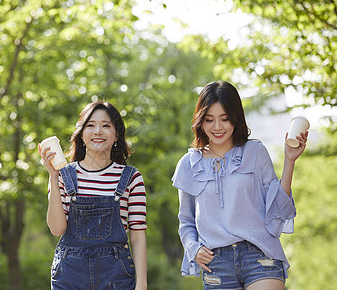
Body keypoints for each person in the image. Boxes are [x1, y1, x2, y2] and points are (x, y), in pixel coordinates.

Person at [172, 81, 308, 290]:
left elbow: (277, 208)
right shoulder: (188, 165)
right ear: (200, 121)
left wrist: (290, 160)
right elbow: (186, 220)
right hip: (215, 263)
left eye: (225, 119)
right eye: (210, 120)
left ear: (236, 118)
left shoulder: (255, 151)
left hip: (259, 255)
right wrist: (193, 248)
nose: (217, 127)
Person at [39, 101, 147, 290]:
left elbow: (138, 235)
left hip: (117, 277)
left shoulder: (131, 177)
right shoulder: (63, 175)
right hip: (69, 276)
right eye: (90, 125)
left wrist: (142, 284)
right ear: (81, 134)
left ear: (116, 135)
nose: (98, 131)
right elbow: (56, 229)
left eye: (106, 125)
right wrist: (53, 178)